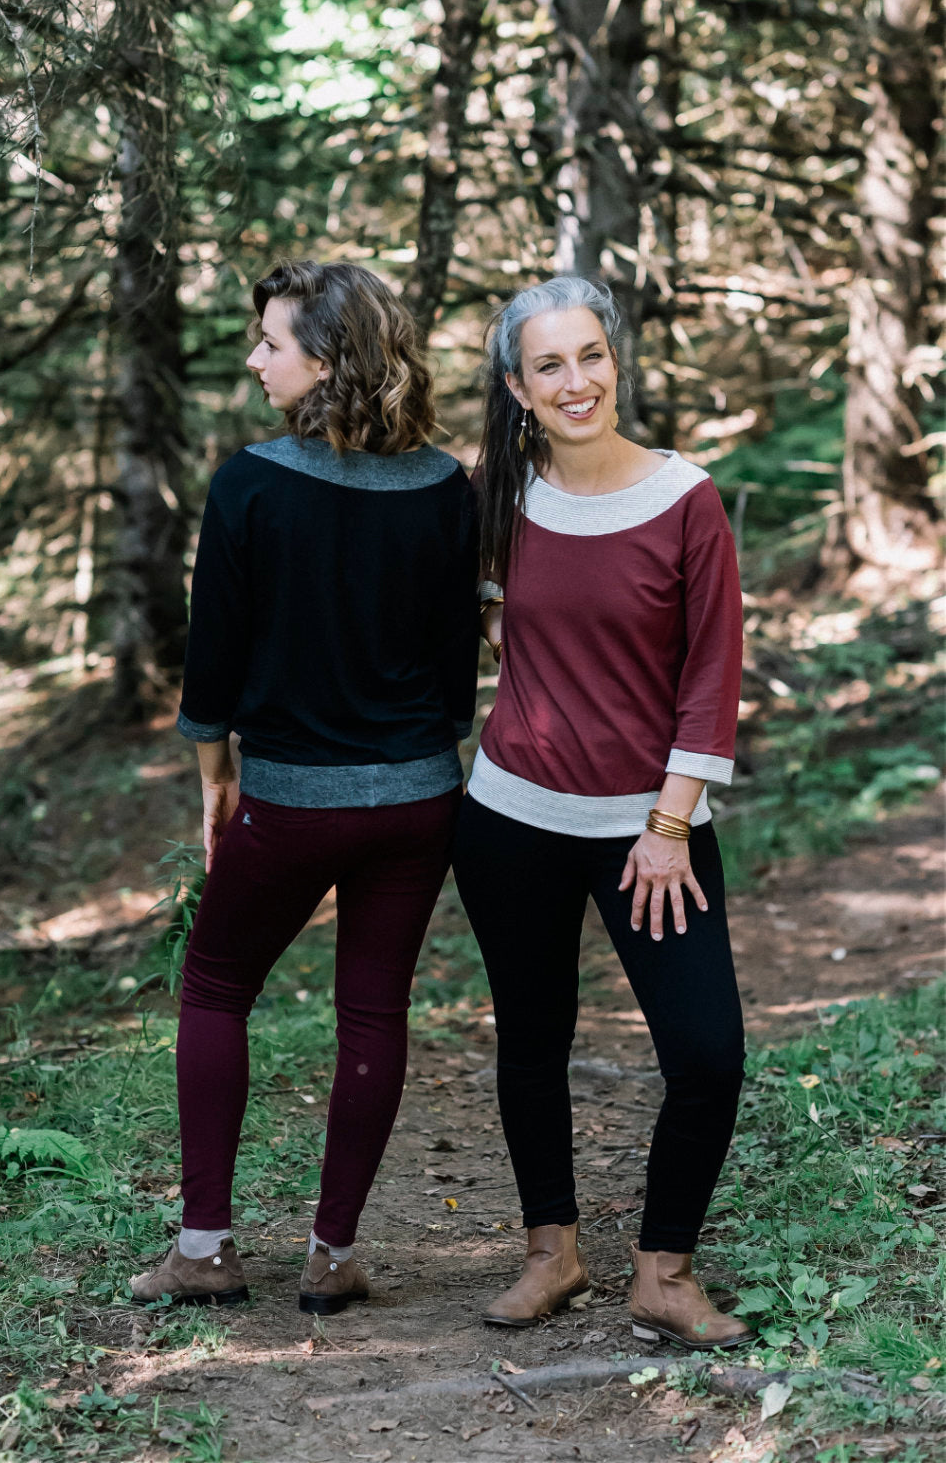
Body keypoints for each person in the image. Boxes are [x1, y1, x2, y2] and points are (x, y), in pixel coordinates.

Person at [130, 260, 480, 1314]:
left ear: (325, 362)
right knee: (372, 1009)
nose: (253, 360)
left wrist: (214, 777)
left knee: (216, 986)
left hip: (288, 800)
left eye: (271, 343)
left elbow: (214, 664)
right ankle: (330, 1257)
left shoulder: (248, 481)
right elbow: (458, 671)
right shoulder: (445, 487)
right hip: (419, 798)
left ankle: (204, 1250)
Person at [452, 275, 751, 1349]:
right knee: (530, 1042)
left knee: (707, 1052)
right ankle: (553, 1252)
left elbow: (711, 674)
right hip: (511, 819)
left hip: (648, 832)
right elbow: (480, 603)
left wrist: (668, 825)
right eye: (549, 365)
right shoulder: (496, 494)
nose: (575, 381)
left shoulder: (684, 496)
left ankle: (662, 1271)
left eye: (590, 356)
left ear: (614, 361)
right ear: (516, 386)